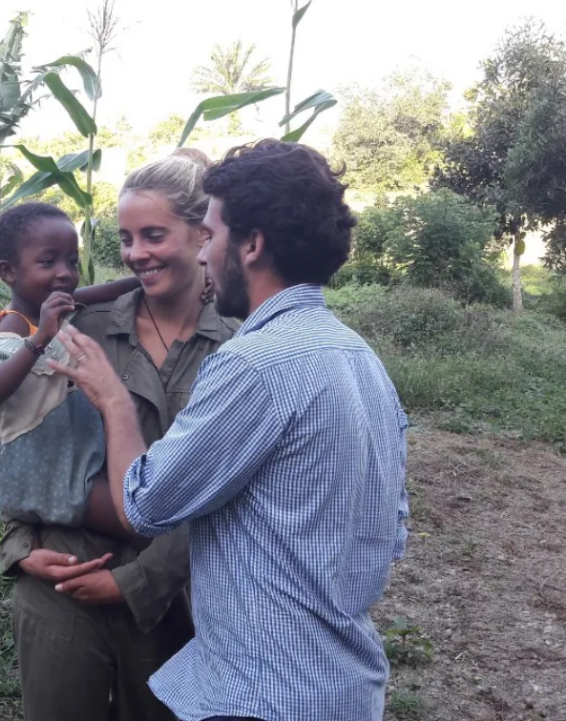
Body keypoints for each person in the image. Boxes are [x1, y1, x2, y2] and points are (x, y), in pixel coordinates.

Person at [52, 139, 410, 721]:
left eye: (211, 236)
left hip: (265, 692)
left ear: (252, 244)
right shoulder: (357, 356)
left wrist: (114, 401)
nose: (203, 257)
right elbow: (392, 529)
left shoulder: (254, 363)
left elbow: (144, 503)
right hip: (343, 687)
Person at [0, 151, 237, 721]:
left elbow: (229, 496)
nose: (136, 255)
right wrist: (19, 546)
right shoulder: (83, 328)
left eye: (153, 235)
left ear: (202, 234)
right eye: (127, 239)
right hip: (61, 576)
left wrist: (136, 582)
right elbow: (17, 437)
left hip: (175, 597)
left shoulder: (237, 348)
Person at [0, 202, 145, 540]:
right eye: (48, 262)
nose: (64, 273)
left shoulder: (53, 304)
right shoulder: (14, 325)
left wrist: (147, 279)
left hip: (61, 460)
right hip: (43, 474)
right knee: (140, 521)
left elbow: (101, 293)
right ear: (9, 272)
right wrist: (39, 339)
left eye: (72, 261)